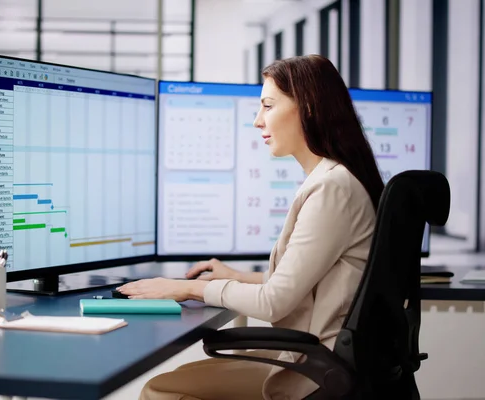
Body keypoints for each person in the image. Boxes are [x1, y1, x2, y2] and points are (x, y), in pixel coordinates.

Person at [117, 54, 385, 400]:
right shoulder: (337, 179)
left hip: (318, 371)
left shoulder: (332, 187)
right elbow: (309, 278)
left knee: (159, 390)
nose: (258, 121)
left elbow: (274, 302)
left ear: (307, 109)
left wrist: (188, 289)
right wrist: (236, 277)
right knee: (184, 375)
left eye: (268, 106)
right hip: (328, 360)